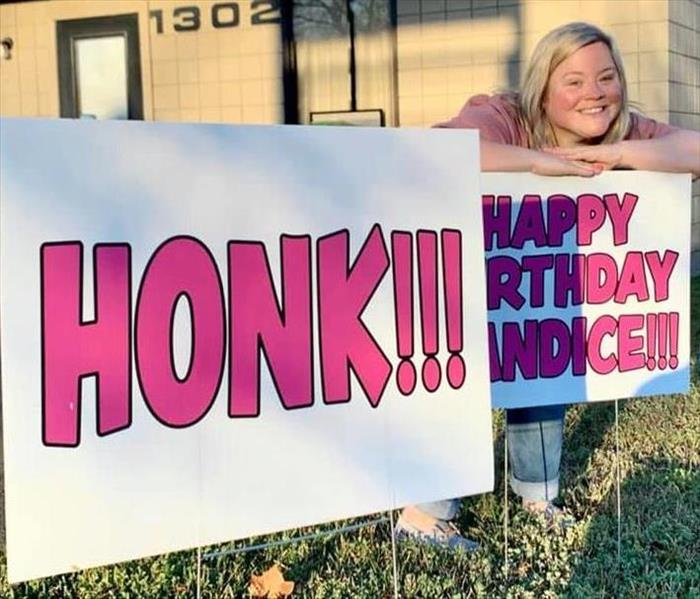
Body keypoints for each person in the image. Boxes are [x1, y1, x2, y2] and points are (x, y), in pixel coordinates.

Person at [395, 21, 700, 550]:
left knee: (544, 354)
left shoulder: (625, 129)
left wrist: (618, 155)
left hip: (543, 286)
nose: (595, 93)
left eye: (606, 78)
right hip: (460, 278)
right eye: (575, 81)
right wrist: (540, 163)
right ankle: (424, 516)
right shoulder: (503, 114)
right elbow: (437, 152)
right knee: (458, 377)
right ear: (542, 87)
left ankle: (537, 497)